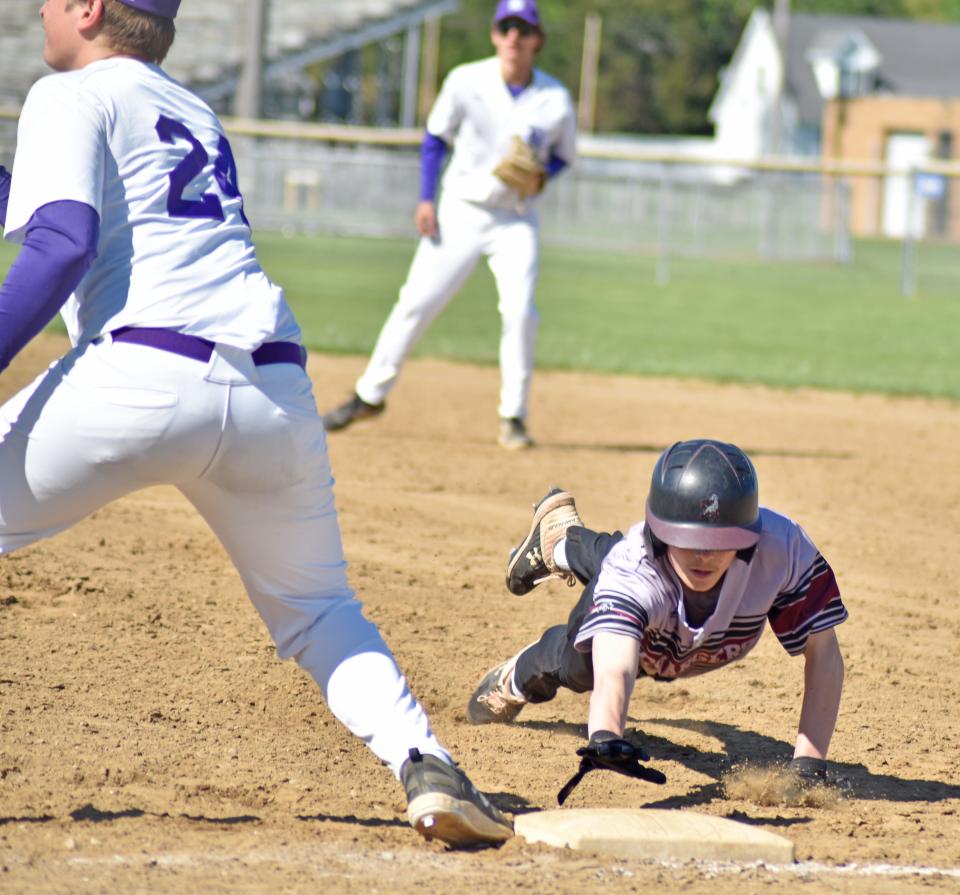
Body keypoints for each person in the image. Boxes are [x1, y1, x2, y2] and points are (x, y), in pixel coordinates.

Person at [0, 0, 511, 849]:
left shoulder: (69, 92)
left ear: (87, 10)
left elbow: (62, 243)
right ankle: (424, 761)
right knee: (317, 608)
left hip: (142, 375)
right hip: (274, 387)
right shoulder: (186, 105)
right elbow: (97, 215)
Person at [467, 440, 847, 796]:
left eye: (719, 543)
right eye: (688, 541)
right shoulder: (633, 569)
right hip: (643, 623)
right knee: (579, 666)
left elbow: (824, 651)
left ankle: (562, 539)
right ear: (661, 534)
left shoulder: (783, 551)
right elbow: (615, 667)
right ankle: (516, 675)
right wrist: (606, 734)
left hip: (661, 607)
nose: (704, 556)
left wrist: (809, 763)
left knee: (630, 565)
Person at [322, 0, 577, 450]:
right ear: (495, 35)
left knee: (520, 312)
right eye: (506, 27)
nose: (513, 37)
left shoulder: (554, 99)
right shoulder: (466, 80)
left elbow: (562, 155)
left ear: (537, 39)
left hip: (515, 218)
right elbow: (435, 139)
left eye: (523, 28)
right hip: (461, 209)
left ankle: (513, 416)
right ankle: (369, 395)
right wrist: (426, 197)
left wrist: (543, 176)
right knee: (415, 303)